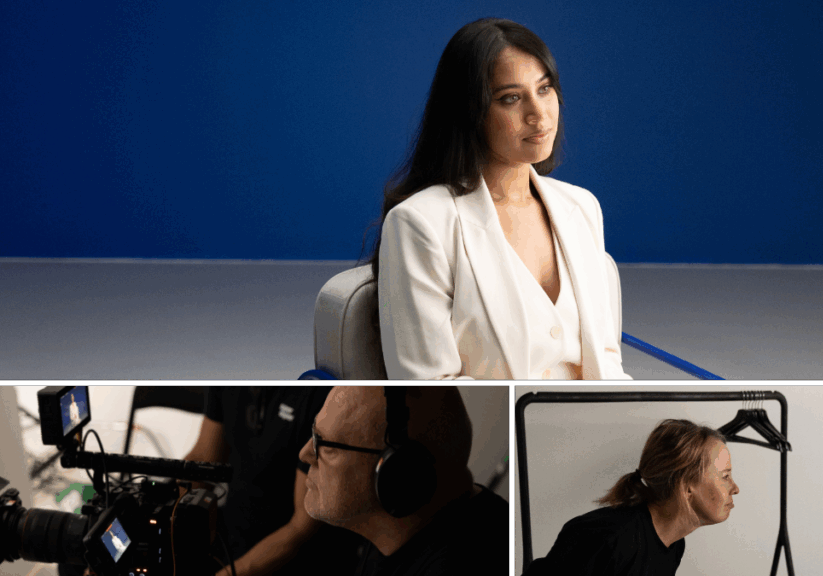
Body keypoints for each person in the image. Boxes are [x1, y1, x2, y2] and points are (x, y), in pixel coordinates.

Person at [361, 17, 631, 380]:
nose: (538, 114)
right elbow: (428, 390)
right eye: (511, 98)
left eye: (545, 89)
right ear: (469, 113)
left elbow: (608, 362)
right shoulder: (420, 224)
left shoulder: (582, 208)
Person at [72, 386, 367, 576]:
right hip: (227, 533)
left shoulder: (317, 392)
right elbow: (203, 463)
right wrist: (141, 514)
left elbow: (301, 528)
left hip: (292, 558)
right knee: (85, 561)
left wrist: (229, 574)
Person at [298, 386, 508, 575]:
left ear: (400, 473)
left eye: (325, 445)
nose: (304, 453)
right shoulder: (395, 535)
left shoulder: (463, 564)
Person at [523, 419, 739, 576]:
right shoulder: (606, 537)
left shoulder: (673, 545)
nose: (735, 488)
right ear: (686, 485)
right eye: (725, 476)